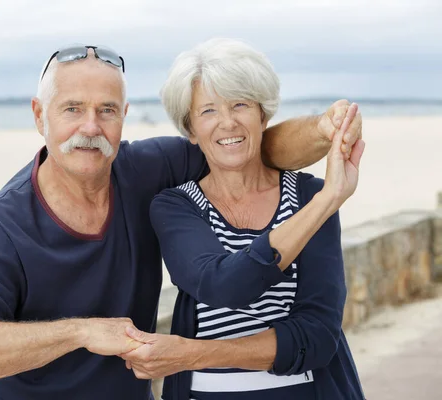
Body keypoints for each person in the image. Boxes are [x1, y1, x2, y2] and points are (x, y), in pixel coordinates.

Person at [0, 44, 363, 400]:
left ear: (124, 115)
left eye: (106, 110)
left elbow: (245, 146)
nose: (90, 126)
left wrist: (325, 130)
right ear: (38, 115)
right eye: (72, 109)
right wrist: (82, 332)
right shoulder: (6, 222)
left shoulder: (145, 169)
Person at [120, 39, 365, 399]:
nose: (227, 123)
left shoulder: (310, 197)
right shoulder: (175, 206)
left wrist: (192, 354)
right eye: (207, 111)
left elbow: (316, 337)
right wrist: (327, 202)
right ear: (190, 130)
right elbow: (222, 285)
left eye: (240, 104)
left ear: (263, 115)